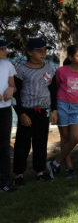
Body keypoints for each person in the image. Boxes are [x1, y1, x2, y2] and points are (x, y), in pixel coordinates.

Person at [12, 38, 57, 187]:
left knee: (40, 141)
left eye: (45, 51)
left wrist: (54, 110)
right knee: (23, 143)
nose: (43, 53)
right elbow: (15, 94)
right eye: (39, 51)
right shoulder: (21, 70)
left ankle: (40, 172)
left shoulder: (50, 69)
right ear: (29, 52)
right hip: (27, 111)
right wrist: (21, 114)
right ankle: (19, 175)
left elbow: (53, 90)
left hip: (43, 111)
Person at [47, 45, 78, 180]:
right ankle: (69, 168)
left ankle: (55, 163)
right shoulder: (61, 71)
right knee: (65, 138)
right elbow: (57, 87)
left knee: (76, 138)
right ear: (71, 57)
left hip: (77, 107)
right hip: (62, 105)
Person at [0, 38, 18, 193]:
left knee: (4, 147)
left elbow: (13, 86)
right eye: (2, 49)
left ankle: (5, 183)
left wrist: (11, 90)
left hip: (5, 110)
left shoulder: (8, 65)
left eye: (5, 48)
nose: (5, 51)